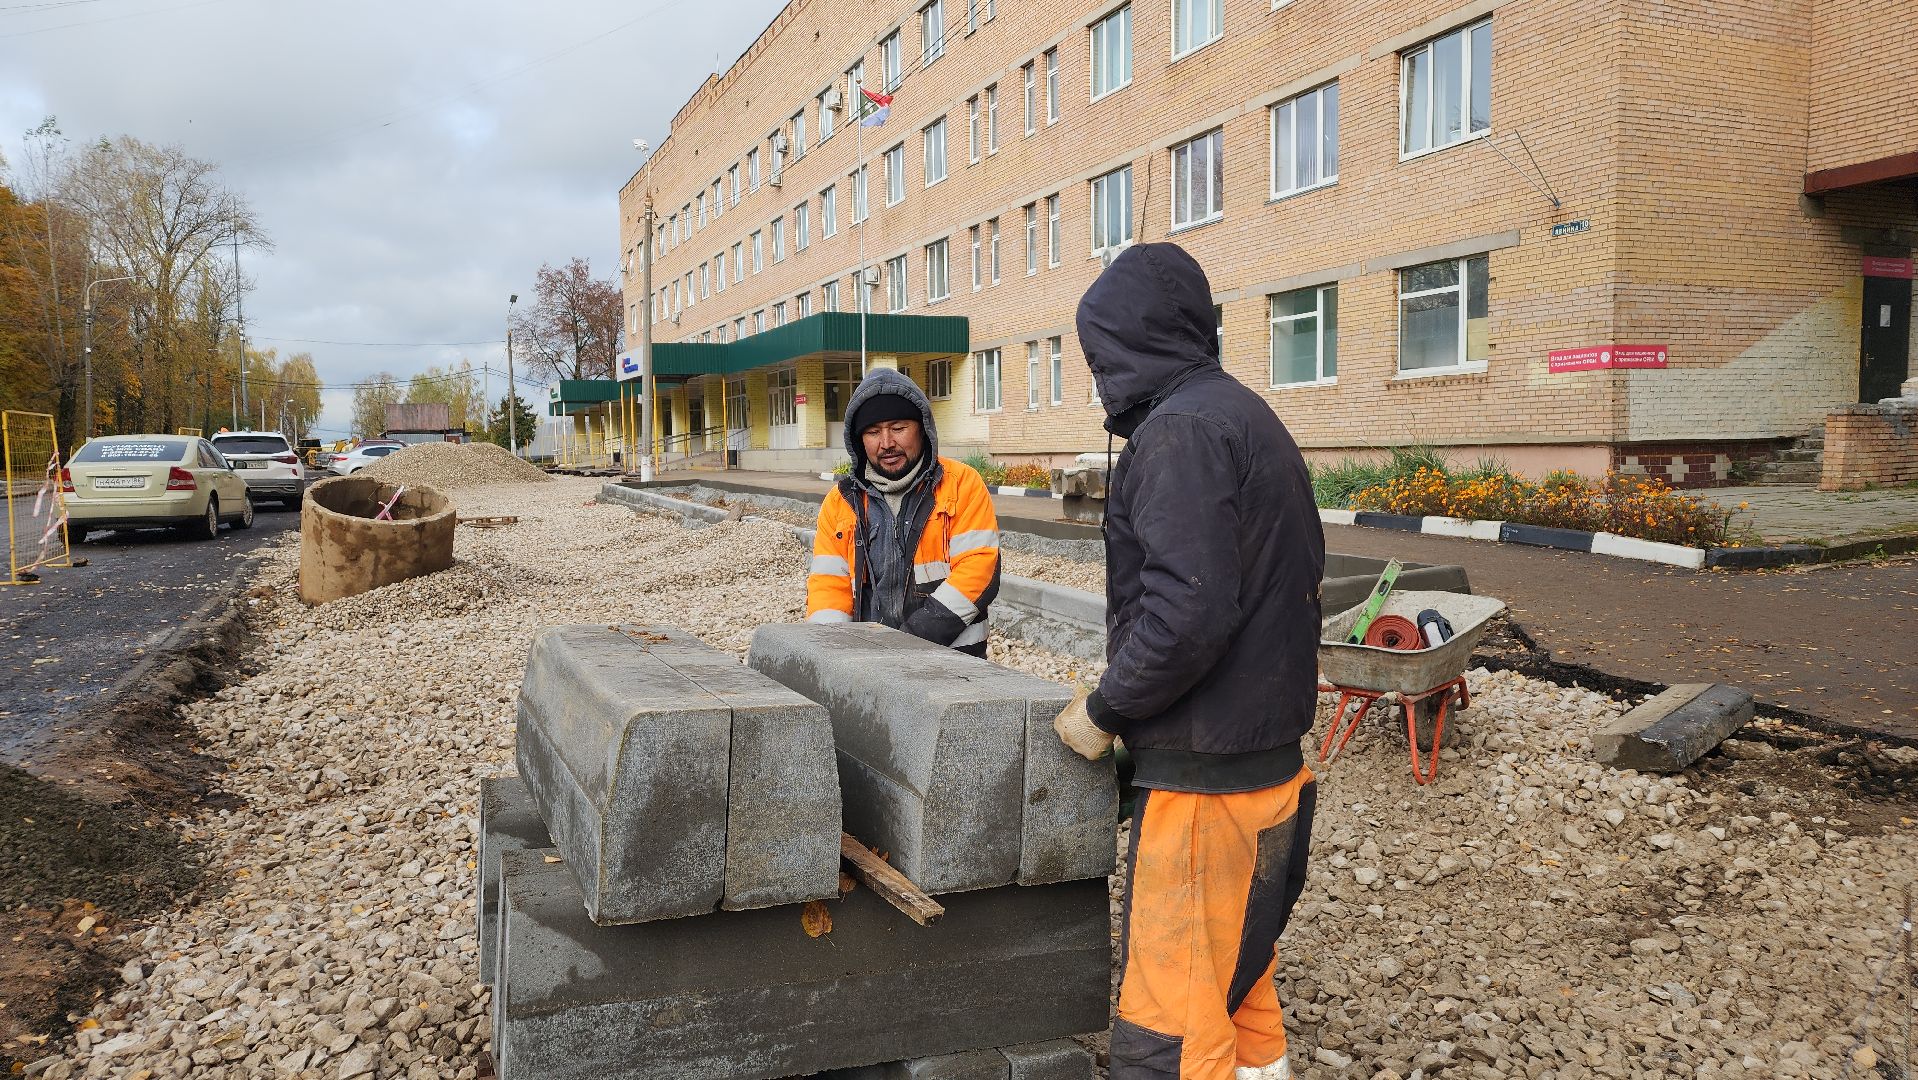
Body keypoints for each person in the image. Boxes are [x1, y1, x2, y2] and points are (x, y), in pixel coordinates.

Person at [1052, 243, 1326, 1080]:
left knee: (1170, 1014)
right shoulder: (1242, 413)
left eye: (1100, 356)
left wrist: (1106, 710)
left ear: (1132, 343)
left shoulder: (1180, 434)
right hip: (1266, 764)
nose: (1098, 376)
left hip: (1206, 782)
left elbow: (1190, 612)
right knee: (1236, 976)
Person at [805, 367, 1001, 656]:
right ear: (859, 439)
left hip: (957, 660)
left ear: (922, 428)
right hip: (873, 663)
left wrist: (910, 641)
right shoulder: (841, 502)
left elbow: (978, 568)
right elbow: (829, 586)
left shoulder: (961, 485)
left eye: (898, 428)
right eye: (873, 432)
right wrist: (835, 657)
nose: (886, 443)